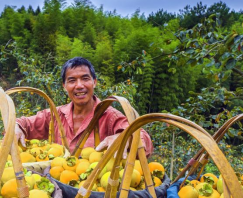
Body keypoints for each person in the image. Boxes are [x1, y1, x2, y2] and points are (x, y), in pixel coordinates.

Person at [15, 57, 153, 157]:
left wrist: (123, 137)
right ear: (64, 86)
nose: (79, 85)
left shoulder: (109, 116)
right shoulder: (56, 115)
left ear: (94, 82)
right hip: (59, 187)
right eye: (72, 80)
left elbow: (142, 137)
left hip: (96, 192)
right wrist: (16, 128)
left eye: (85, 79)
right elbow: (23, 123)